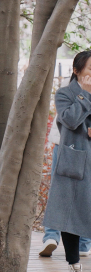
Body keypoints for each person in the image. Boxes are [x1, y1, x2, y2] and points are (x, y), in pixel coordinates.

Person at [43, 50, 91, 271]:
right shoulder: (64, 94)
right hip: (74, 159)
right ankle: (74, 262)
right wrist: (85, 93)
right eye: (90, 69)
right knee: (69, 209)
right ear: (76, 70)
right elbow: (70, 120)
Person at [40, 110, 91, 258]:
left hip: (65, 141)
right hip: (73, 140)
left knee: (60, 188)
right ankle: (83, 243)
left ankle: (51, 236)